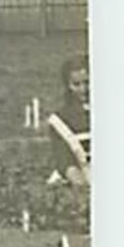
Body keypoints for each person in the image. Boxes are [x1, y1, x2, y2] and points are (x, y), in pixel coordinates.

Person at [47, 54, 91, 187]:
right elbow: (65, 162)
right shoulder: (60, 120)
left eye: (87, 82)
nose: (83, 89)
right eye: (76, 84)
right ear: (67, 86)